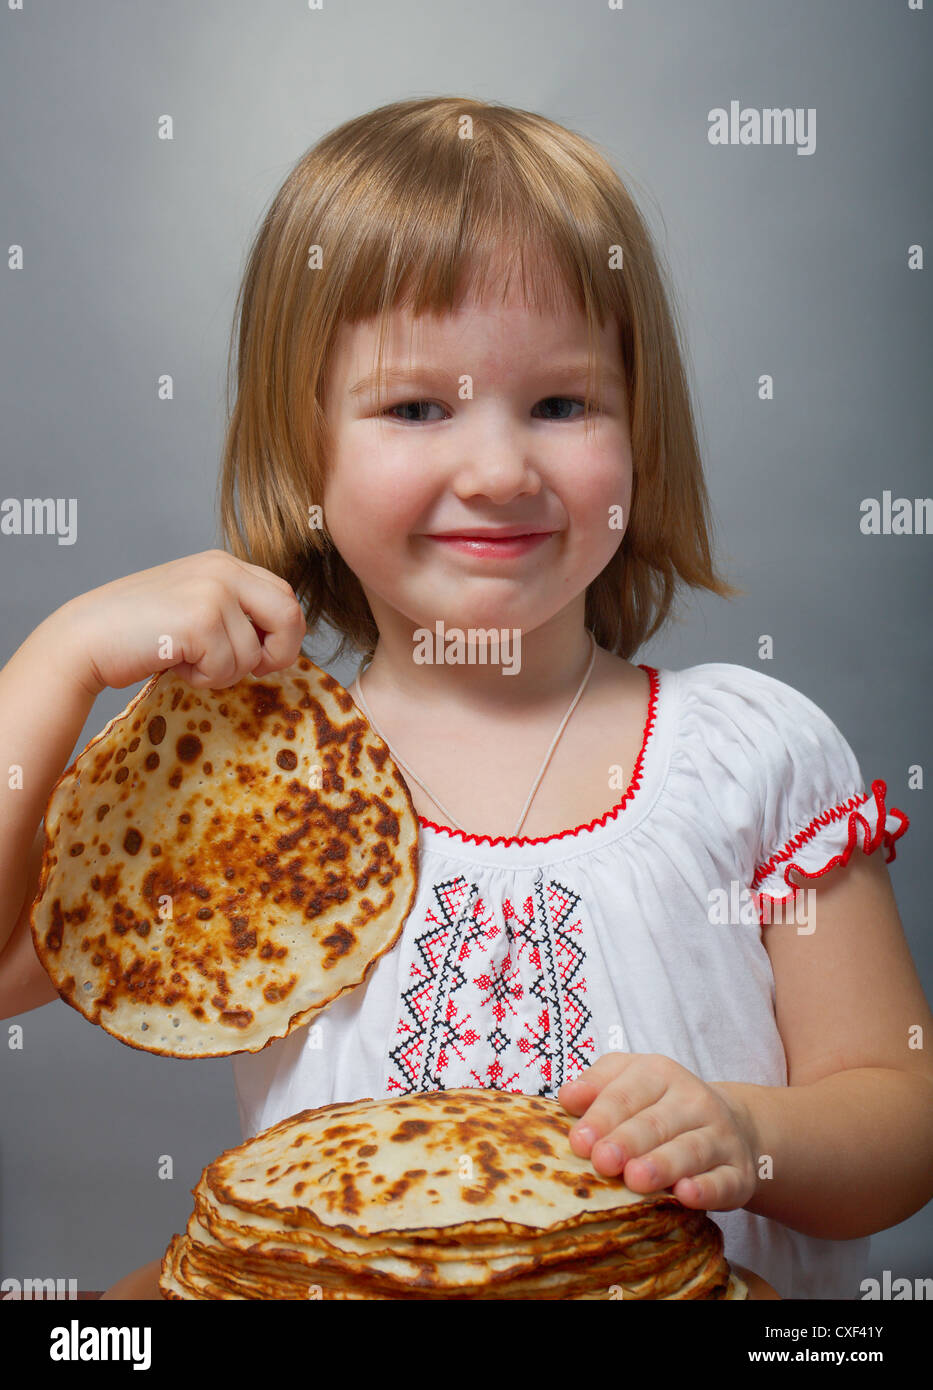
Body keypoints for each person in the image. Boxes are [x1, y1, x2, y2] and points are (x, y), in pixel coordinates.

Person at [1, 96, 931, 1302]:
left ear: (641, 429)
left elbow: (900, 1114)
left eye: (561, 404)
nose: (498, 471)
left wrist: (749, 1136)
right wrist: (56, 656)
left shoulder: (750, 755)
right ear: (305, 451)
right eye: (415, 408)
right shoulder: (251, 793)